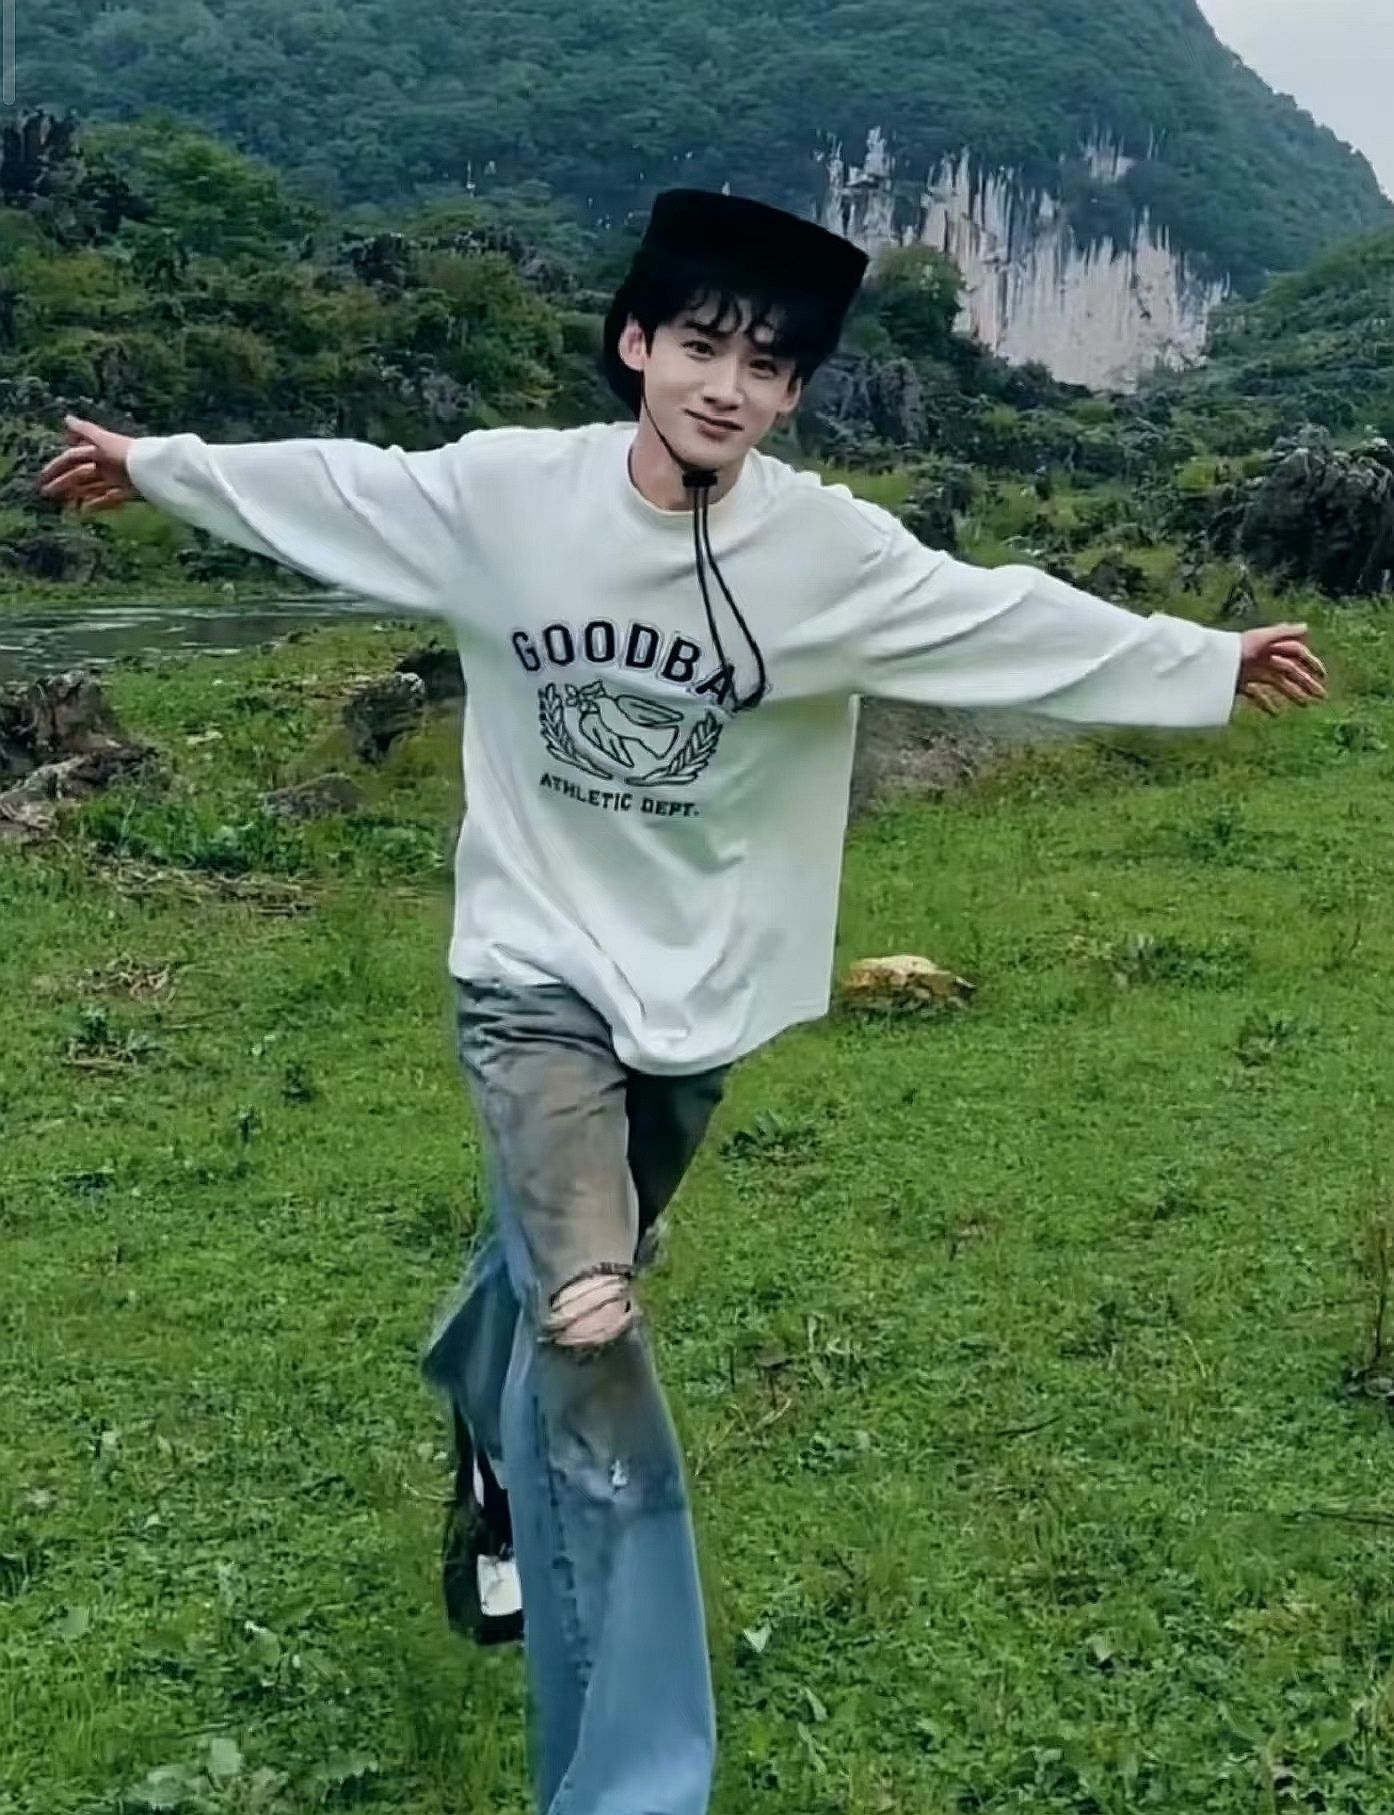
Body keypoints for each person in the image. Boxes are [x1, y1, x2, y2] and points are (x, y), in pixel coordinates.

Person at [38, 189, 1326, 1815]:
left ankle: (484, 1420)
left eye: (768, 367)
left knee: (567, 1276)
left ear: (792, 396)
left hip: (698, 997)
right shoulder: (510, 496)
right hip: (530, 978)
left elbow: (995, 614)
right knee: (592, 1319)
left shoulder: (824, 554)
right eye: (703, 346)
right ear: (637, 344)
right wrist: (159, 466)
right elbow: (340, 487)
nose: (728, 386)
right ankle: (633, 1781)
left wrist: (1199, 658)